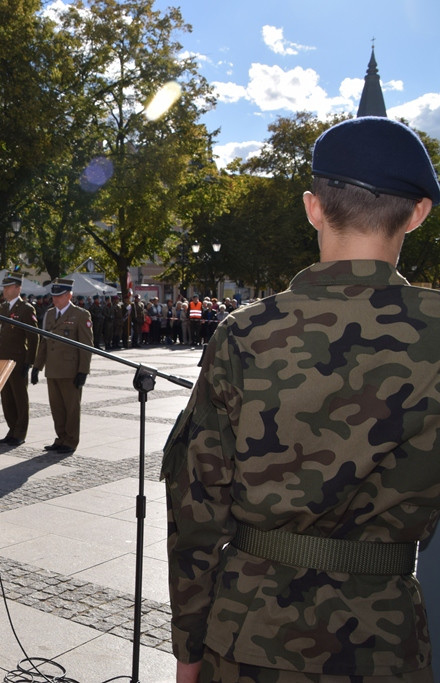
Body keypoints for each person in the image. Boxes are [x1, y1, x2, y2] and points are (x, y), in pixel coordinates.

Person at [162, 116, 440, 682]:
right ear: (417, 213)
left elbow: (194, 512)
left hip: (248, 638)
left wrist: (189, 650)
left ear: (313, 208)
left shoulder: (245, 333)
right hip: (383, 642)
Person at [31, 278, 91, 454]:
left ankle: (71, 440)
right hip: (53, 369)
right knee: (56, 407)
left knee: (71, 408)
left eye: (59, 296)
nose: (55, 299)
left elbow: (86, 345)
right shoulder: (50, 314)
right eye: (54, 296)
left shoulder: (80, 315)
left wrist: (83, 371)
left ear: (68, 295)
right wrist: (37, 367)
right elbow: (44, 341)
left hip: (70, 370)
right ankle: (60, 438)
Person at [0, 272, 37, 447]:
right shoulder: (2, 308)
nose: (5, 290)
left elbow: (33, 338)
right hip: (3, 360)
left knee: (20, 398)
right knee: (7, 398)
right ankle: (11, 429)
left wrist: (29, 362)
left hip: (18, 361)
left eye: (8, 287)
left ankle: (20, 432)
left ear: (18, 288)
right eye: (4, 287)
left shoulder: (26, 309)